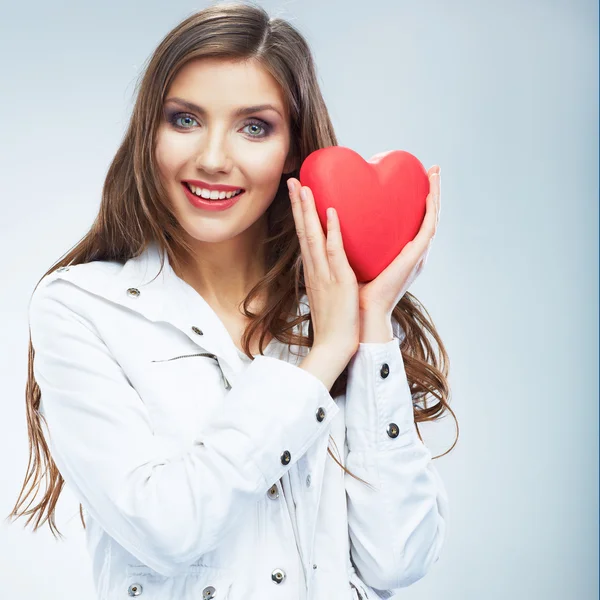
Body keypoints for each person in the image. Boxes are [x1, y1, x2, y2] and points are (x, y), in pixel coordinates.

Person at [7, 3, 455, 599]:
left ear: (295, 151)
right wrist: (321, 359)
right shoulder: (82, 308)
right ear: (150, 133)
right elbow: (164, 527)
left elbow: (397, 560)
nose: (214, 158)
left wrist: (370, 323)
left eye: (254, 127)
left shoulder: (333, 310)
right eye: (185, 120)